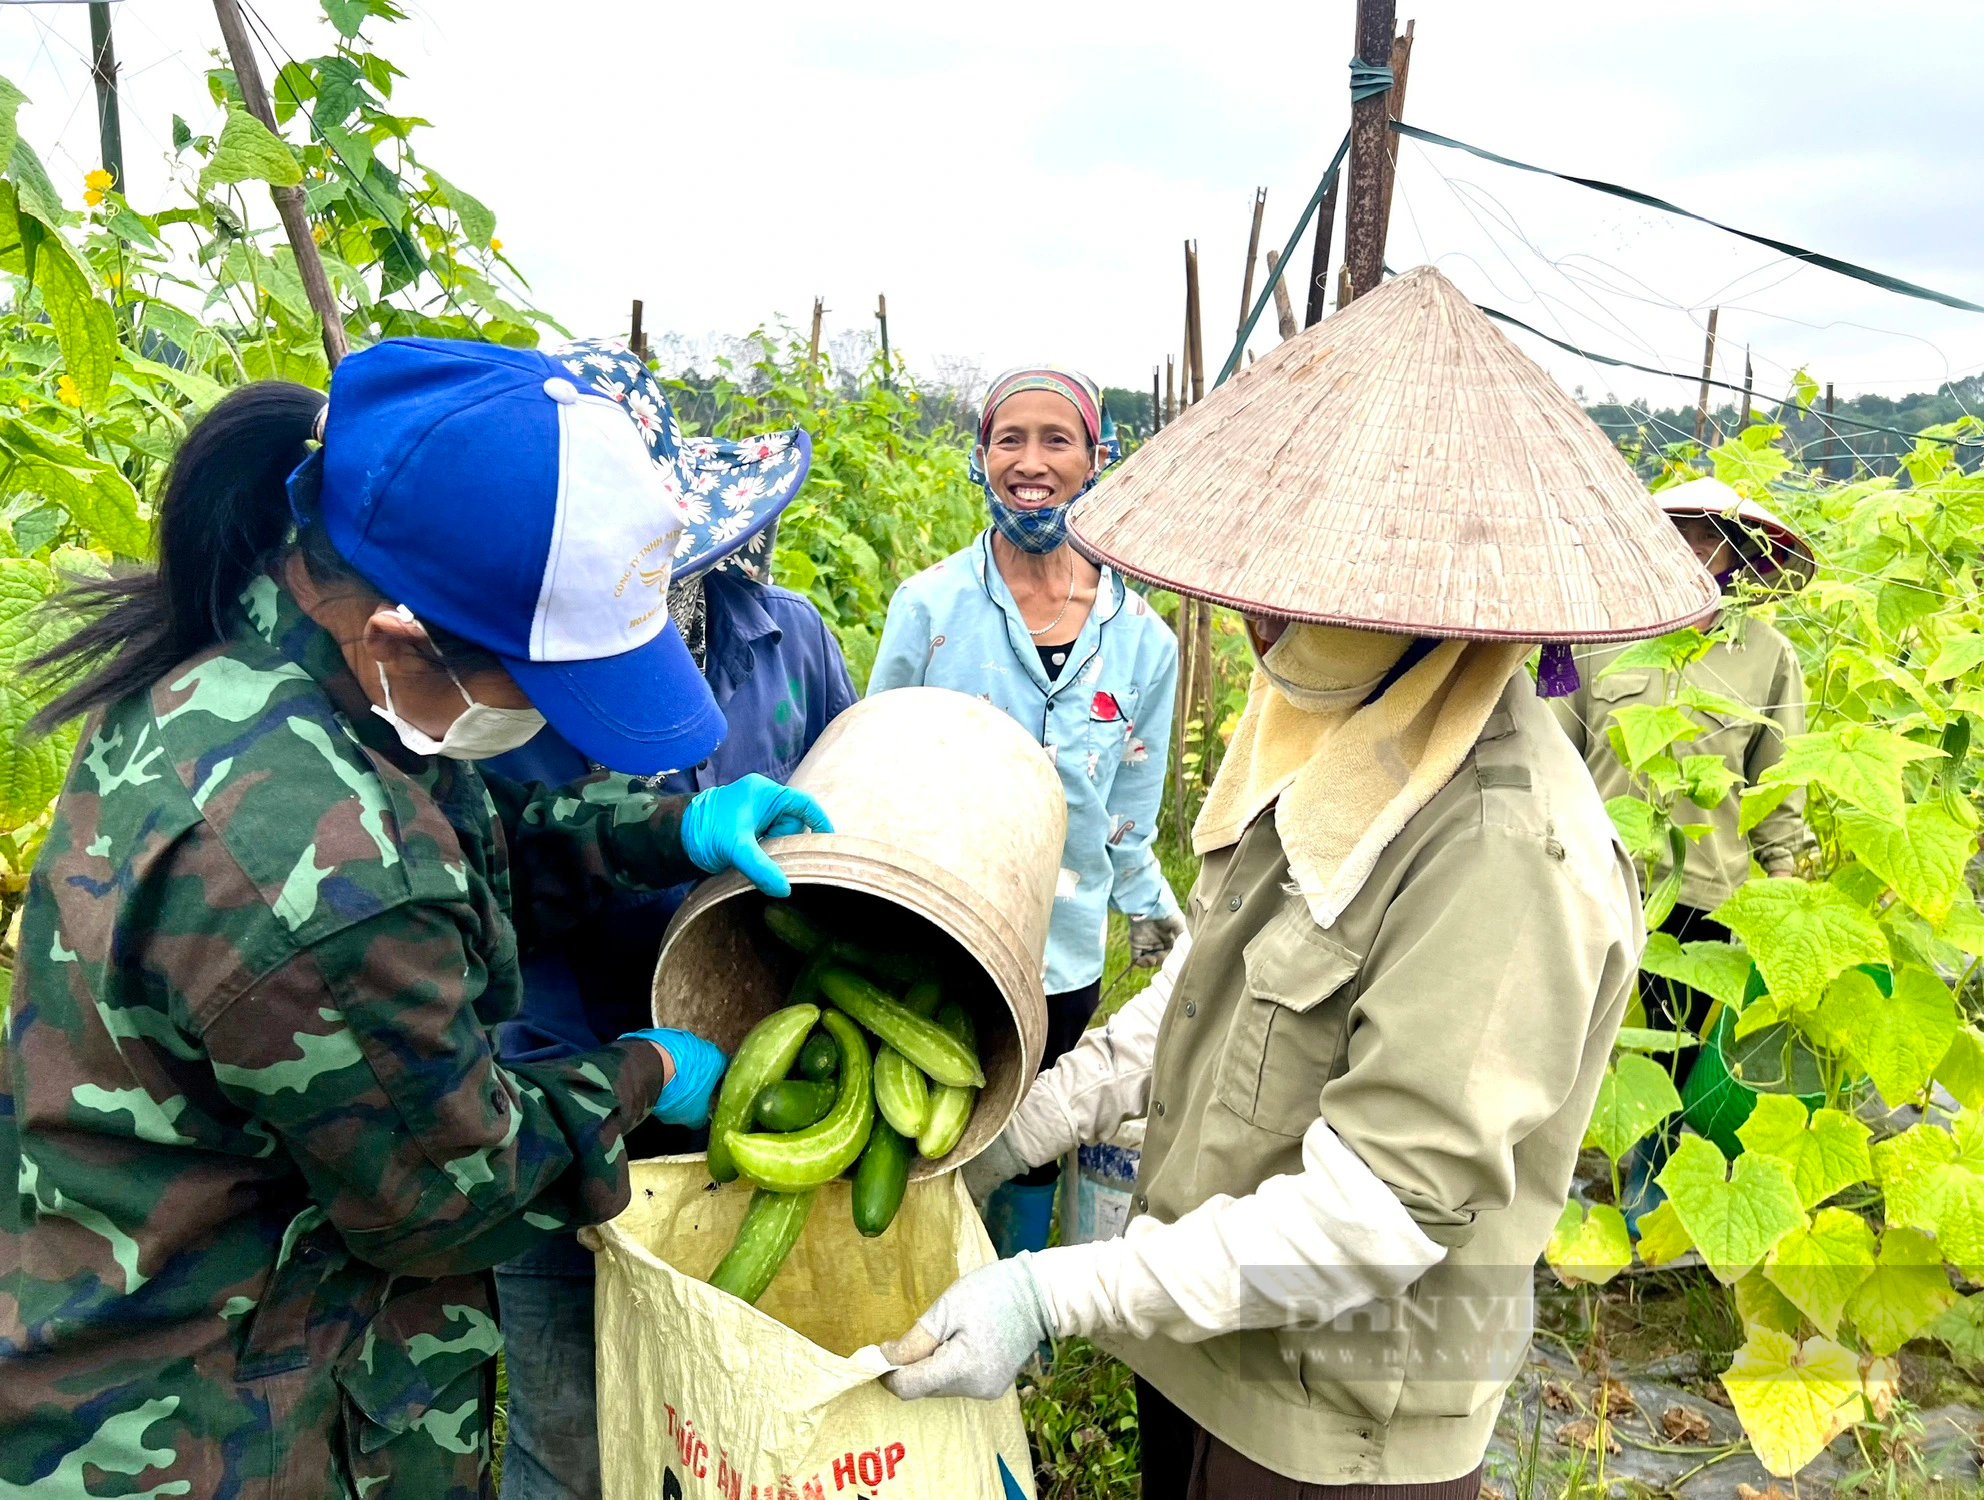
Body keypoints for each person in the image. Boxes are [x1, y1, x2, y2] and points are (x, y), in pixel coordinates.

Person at [870, 266, 1717, 1496]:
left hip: (1338, 1420)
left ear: (1416, 603)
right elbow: (1220, 980)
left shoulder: (1501, 852)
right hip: (1208, 1344)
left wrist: (1053, 1288)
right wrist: (1044, 1117)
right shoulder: (1352, 732)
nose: (1259, 626)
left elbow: (1377, 1214)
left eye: (1292, 595)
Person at [0, 340, 831, 1499]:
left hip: (164, 1315)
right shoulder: (313, 860)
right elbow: (448, 1199)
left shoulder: (269, 659)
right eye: (534, 689)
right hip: (217, 1426)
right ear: (401, 638)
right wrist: (643, 1074)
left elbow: (460, 845)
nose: (545, 720)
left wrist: (664, 833)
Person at [484, 338, 856, 1500]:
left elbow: (853, 824)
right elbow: (477, 881)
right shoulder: (501, 677)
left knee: (729, 1424)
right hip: (551, 1110)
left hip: (748, 1094)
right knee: (571, 1441)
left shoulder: (784, 638)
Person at [868, 364, 1183, 1256]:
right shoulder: (929, 607)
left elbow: (1128, 809)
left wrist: (1152, 915)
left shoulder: (1142, 641)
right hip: (934, 924)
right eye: (1011, 439)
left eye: (1058, 440)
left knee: (1034, 1131)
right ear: (982, 457)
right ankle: (907, 1276)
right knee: (916, 1116)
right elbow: (880, 757)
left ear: (1097, 458)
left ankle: (1008, 1304)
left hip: (1062, 949)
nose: (1031, 462)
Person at [1552, 475, 1814, 1225]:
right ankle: (1556, 1185)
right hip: (1593, 880)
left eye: (1709, 536)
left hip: (1705, 891)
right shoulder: (1592, 637)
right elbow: (1551, 752)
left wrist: (1785, 884)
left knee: (1674, 1054)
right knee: (1568, 1042)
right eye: (1679, 531)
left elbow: (1778, 781)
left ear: (1736, 553)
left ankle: (1651, 1194)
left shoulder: (1766, 656)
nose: (1692, 549)